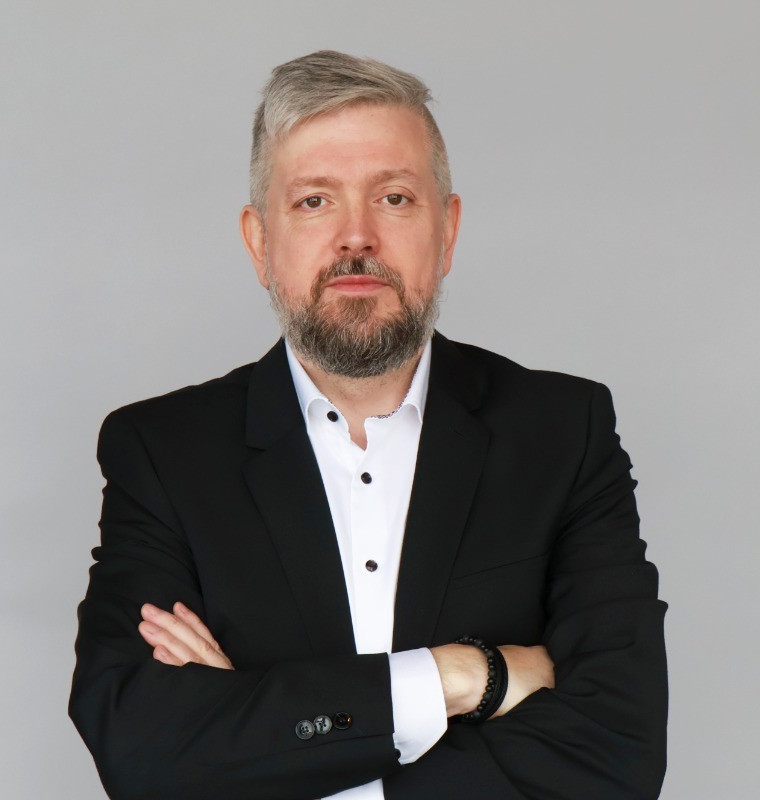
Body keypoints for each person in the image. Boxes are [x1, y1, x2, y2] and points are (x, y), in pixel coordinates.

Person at [69, 50, 668, 800]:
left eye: (394, 197)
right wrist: (462, 676)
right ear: (260, 242)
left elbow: (617, 755)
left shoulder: (563, 433)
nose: (357, 237)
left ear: (447, 231)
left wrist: (265, 746)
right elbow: (143, 751)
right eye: (314, 201)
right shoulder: (162, 453)